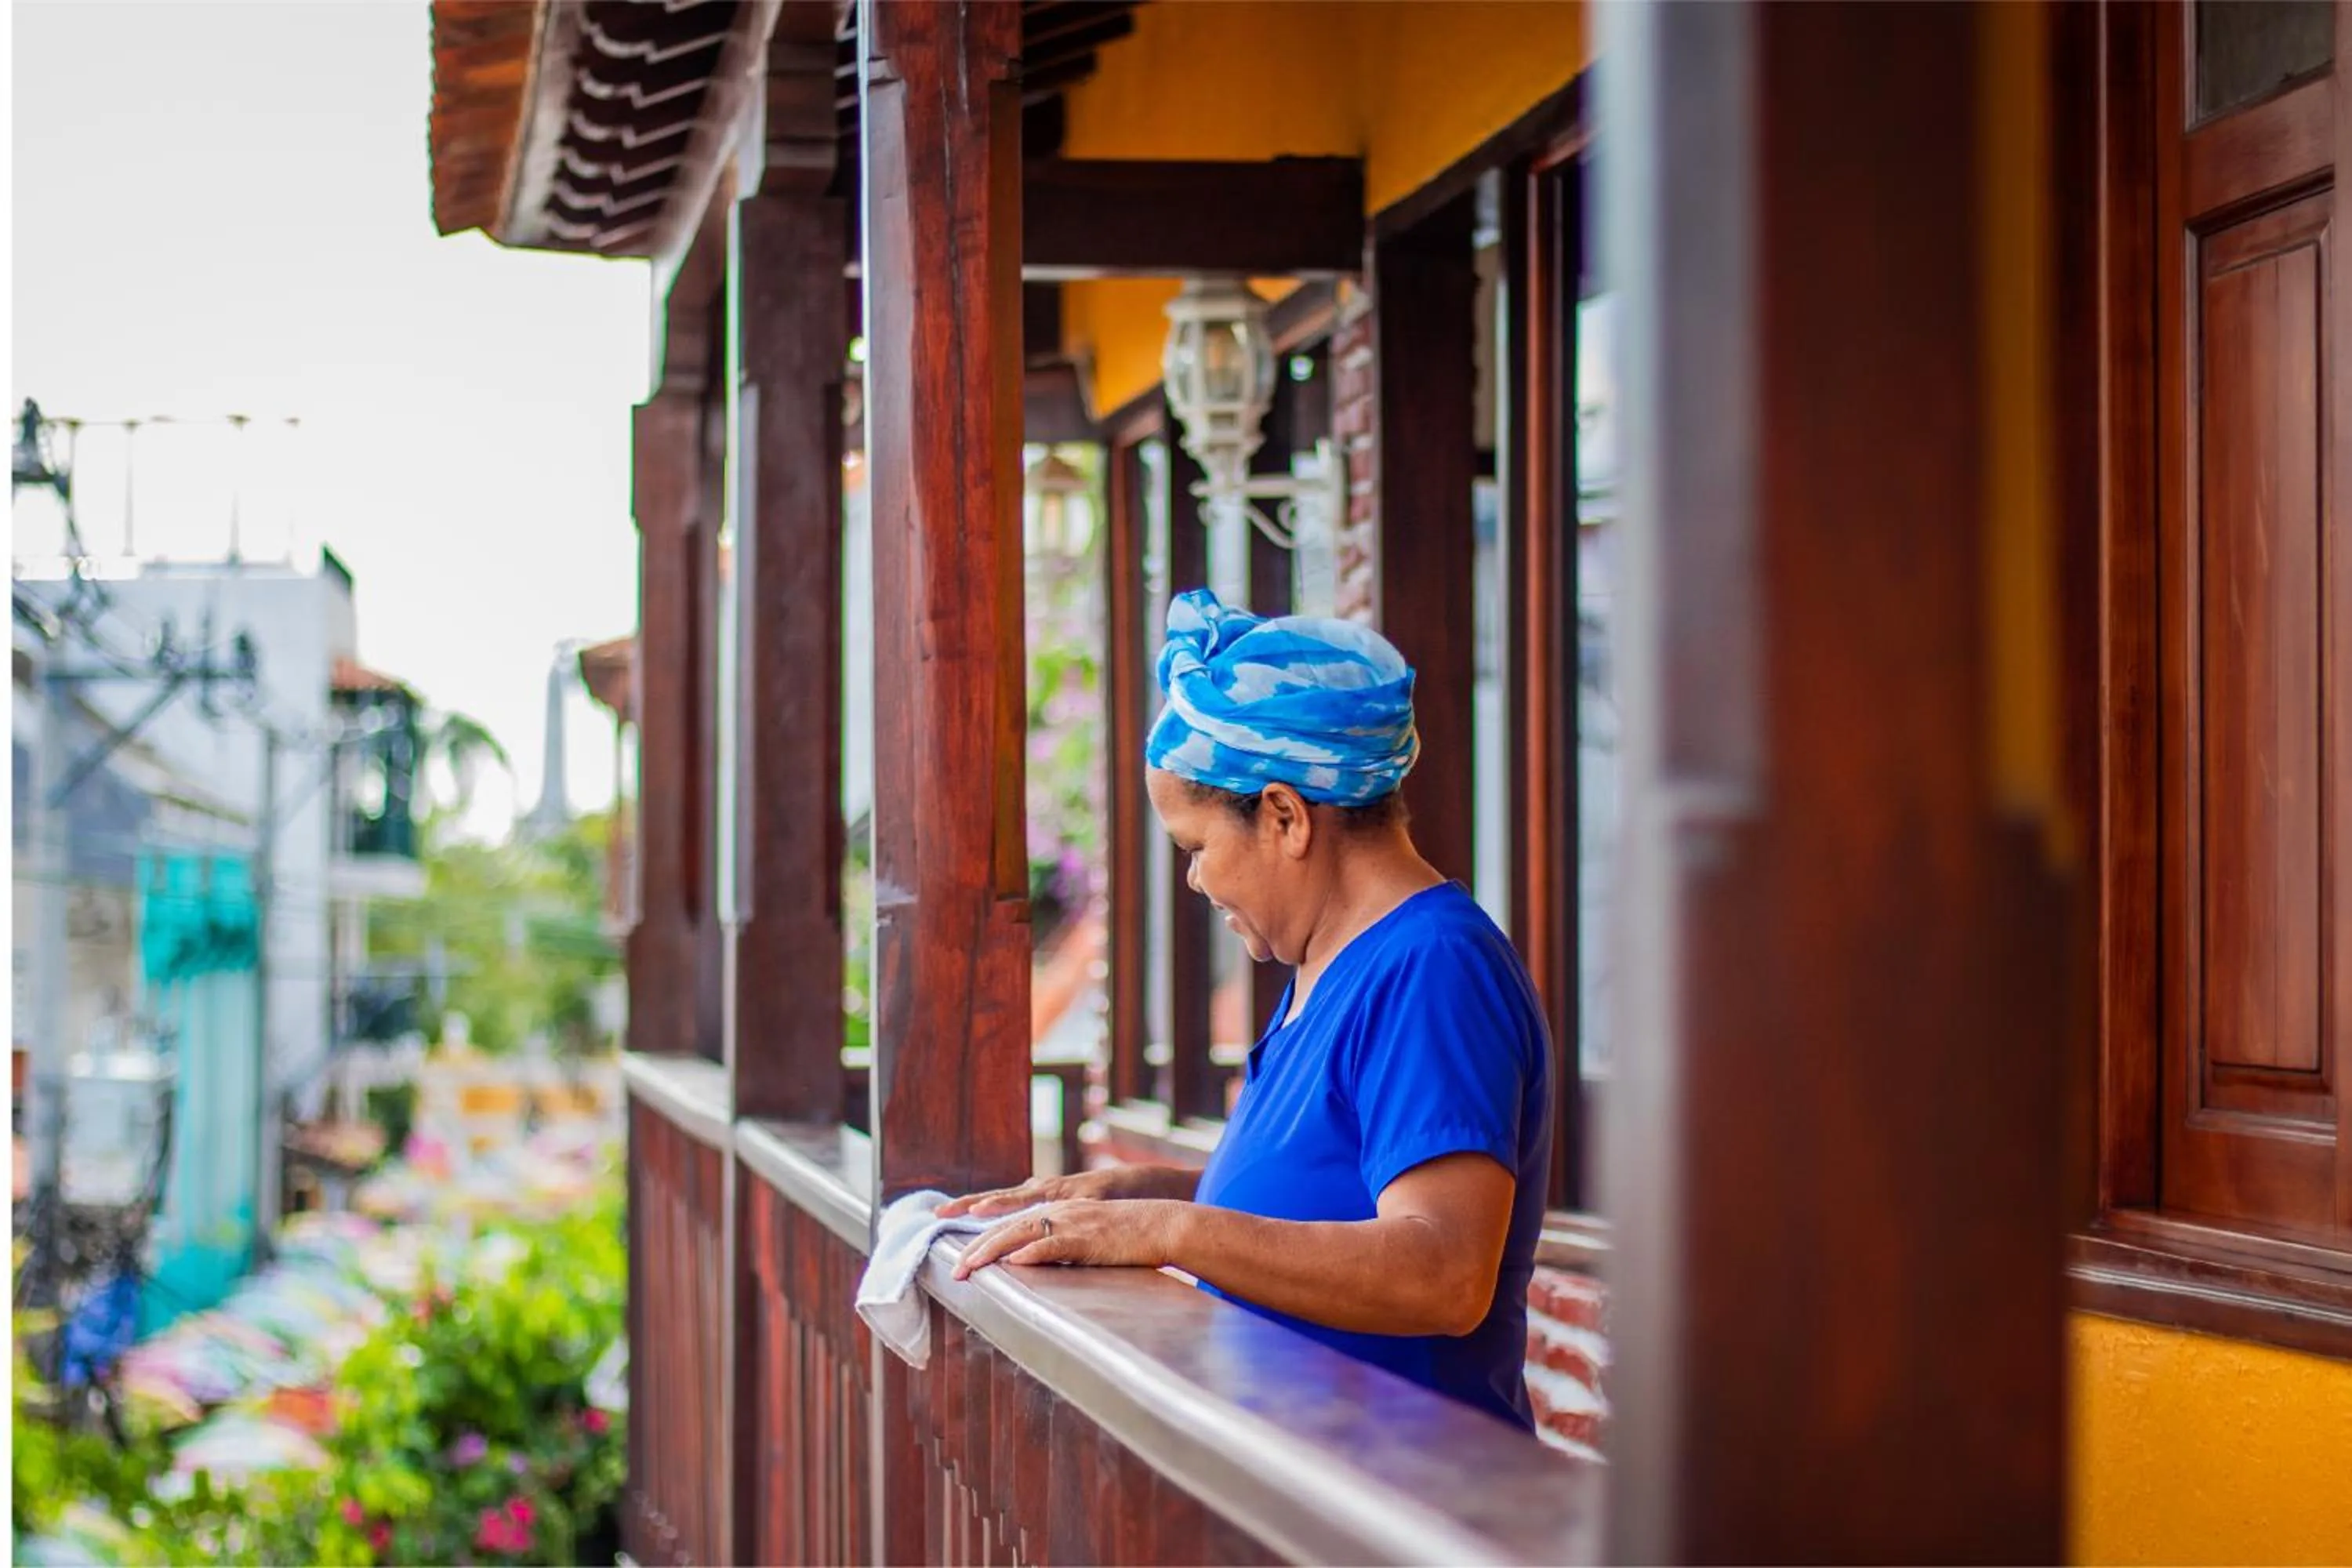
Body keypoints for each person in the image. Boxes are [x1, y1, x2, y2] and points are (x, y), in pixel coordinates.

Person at [946, 588, 1555, 1432]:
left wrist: (1169, 1226)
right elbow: (1339, 1194)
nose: (1195, 880)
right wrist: (1145, 1193)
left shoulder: (1432, 968)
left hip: (1401, 1500)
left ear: (1284, 816)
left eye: (1198, 848)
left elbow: (1442, 1271)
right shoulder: (1326, 961)